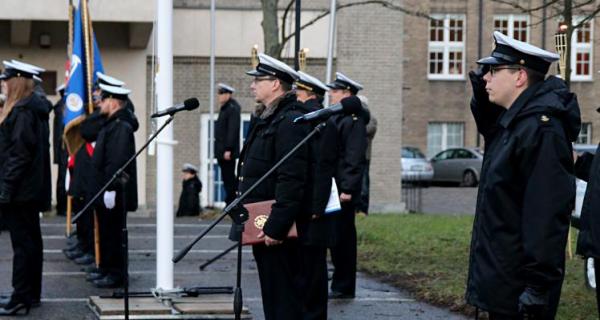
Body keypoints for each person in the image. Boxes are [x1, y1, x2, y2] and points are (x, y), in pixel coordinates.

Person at [465, 31, 581, 319]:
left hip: (520, 291)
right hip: (504, 284)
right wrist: (482, 95)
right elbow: (491, 127)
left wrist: (537, 286)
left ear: (519, 77)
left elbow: (546, 214)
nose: (486, 78)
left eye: (493, 71)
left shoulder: (541, 131)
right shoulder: (517, 124)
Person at [238, 53, 310, 320]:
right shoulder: (268, 118)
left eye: (259, 79)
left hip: (275, 227)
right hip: (261, 221)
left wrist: (277, 226)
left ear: (276, 84)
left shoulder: (289, 121)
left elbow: (291, 178)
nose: (252, 85)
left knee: (284, 297)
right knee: (273, 293)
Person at [0, 60, 48, 315]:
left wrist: (5, 188)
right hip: (28, 189)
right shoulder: (31, 109)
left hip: (21, 191)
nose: (3, 84)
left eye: (6, 80)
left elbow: (18, 155)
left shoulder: (22, 112)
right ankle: (30, 293)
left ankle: (21, 296)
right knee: (31, 243)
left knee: (23, 245)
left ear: (16, 82)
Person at [294, 70, 338, 319]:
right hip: (311, 203)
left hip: (315, 205)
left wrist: (317, 207)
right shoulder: (311, 119)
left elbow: (323, 168)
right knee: (307, 263)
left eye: (298, 91)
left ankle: (314, 313)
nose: (295, 95)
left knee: (313, 265)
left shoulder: (319, 122)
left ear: (309, 94)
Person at [90, 83, 138, 288]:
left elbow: (117, 161)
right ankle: (107, 269)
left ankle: (116, 274)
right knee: (107, 232)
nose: (101, 104)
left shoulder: (121, 126)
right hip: (105, 188)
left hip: (114, 190)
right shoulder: (111, 123)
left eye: (104, 100)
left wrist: (111, 188)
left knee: (114, 234)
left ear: (114, 102)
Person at [326, 72, 369, 299]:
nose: (331, 94)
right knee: (335, 236)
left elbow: (354, 157)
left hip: (343, 188)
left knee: (343, 238)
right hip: (335, 186)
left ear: (347, 93)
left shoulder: (353, 121)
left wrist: (348, 189)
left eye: (335, 91)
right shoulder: (339, 117)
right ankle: (339, 281)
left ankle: (344, 285)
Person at [214, 83, 240, 205]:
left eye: (221, 93)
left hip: (227, 151)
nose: (219, 96)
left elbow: (232, 130)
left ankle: (232, 202)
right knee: (226, 178)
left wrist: (228, 149)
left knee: (229, 178)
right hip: (222, 150)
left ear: (228, 94)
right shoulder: (225, 108)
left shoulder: (232, 108)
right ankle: (231, 202)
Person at [356, 95, 377, 215]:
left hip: (364, 156)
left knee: (364, 184)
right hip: (355, 155)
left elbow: (367, 130)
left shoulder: (371, 119)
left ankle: (363, 209)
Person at [53, 84, 68, 216]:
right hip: (65, 147)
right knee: (63, 178)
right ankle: (62, 206)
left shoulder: (60, 107)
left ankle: (63, 206)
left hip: (63, 148)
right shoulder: (61, 108)